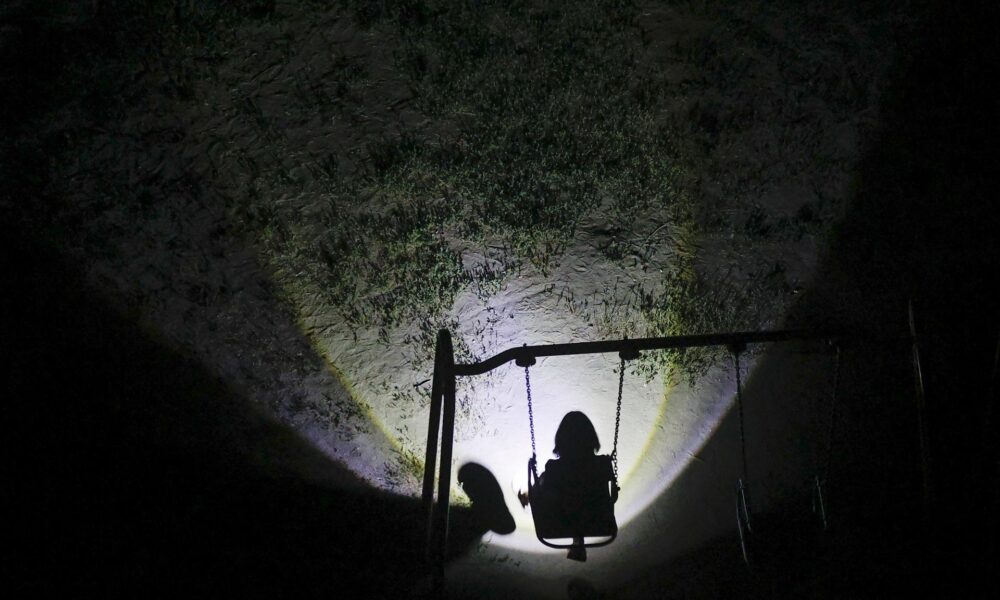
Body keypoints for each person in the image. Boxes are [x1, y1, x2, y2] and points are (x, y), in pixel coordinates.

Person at [532, 411, 617, 562]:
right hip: (597, 520)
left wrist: (536, 487)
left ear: (561, 440)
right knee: (580, 503)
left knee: (554, 495)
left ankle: (577, 538)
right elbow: (612, 497)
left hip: (560, 523)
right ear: (591, 439)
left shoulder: (553, 468)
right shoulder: (602, 465)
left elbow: (544, 498)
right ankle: (578, 538)